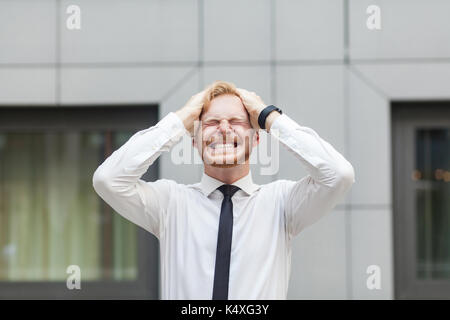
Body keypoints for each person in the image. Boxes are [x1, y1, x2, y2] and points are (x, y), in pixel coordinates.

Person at [92, 80, 355, 299]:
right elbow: (108, 179)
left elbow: (339, 174)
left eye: (237, 121)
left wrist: (268, 115)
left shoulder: (282, 204)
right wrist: (181, 119)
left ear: (257, 137)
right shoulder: (170, 204)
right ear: (194, 141)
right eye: (211, 123)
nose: (224, 129)